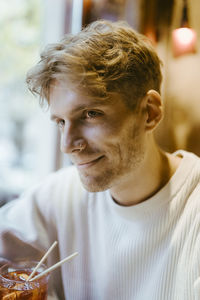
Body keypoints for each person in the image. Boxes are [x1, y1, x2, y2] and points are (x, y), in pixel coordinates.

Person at [0, 20, 200, 300]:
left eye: (90, 114)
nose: (67, 145)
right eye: (60, 121)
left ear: (150, 112)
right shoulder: (59, 195)